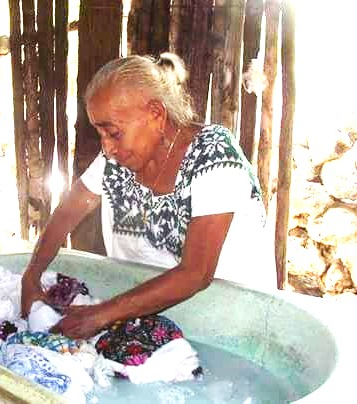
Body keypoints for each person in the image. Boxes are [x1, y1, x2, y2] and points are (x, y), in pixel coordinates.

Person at [20, 53, 275, 340]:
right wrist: (32, 274)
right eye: (100, 133)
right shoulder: (119, 160)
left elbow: (196, 273)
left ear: (156, 113)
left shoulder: (213, 156)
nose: (107, 148)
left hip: (236, 327)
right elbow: (69, 211)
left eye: (113, 133)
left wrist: (101, 314)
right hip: (150, 316)